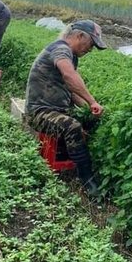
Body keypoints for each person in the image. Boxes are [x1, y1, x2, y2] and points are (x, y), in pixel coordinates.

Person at [24, 20, 107, 197]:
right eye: (91, 44)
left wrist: (89, 109)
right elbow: (70, 76)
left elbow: (71, 89)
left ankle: (87, 161)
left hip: (57, 111)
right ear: (79, 36)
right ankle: (87, 180)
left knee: (92, 120)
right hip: (39, 113)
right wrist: (92, 101)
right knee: (73, 127)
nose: (90, 49)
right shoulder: (61, 49)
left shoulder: (71, 55)